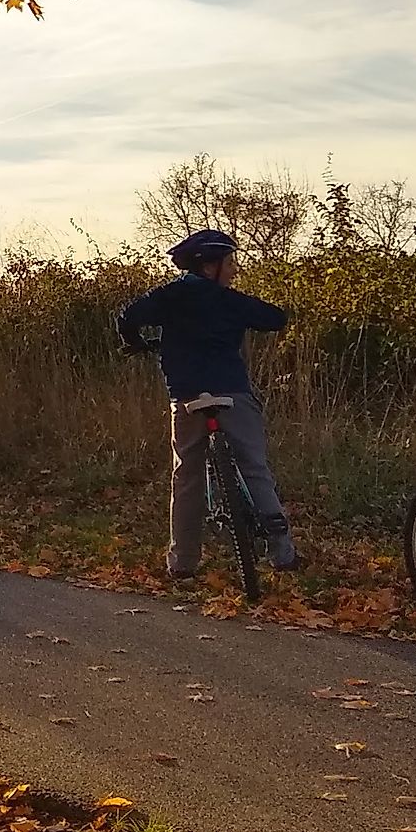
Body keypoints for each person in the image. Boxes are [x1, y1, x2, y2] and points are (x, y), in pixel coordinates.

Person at [117, 229, 298, 576]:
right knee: (255, 468)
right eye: (229, 263)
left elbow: (127, 316)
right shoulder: (229, 301)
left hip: (185, 397)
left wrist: (139, 343)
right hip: (232, 393)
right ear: (209, 267)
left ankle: (182, 562)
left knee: (186, 475)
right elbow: (276, 318)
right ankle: (283, 554)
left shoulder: (169, 296)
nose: (233, 271)